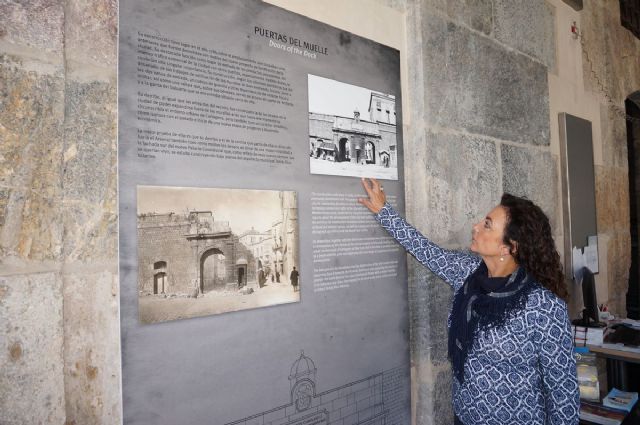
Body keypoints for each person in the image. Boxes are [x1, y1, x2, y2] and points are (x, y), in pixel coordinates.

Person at [358, 178, 579, 425]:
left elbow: (563, 394)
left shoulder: (543, 306)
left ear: (509, 247)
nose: (475, 227)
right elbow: (427, 252)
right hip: (465, 416)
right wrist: (384, 211)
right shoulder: (468, 273)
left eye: (487, 225)